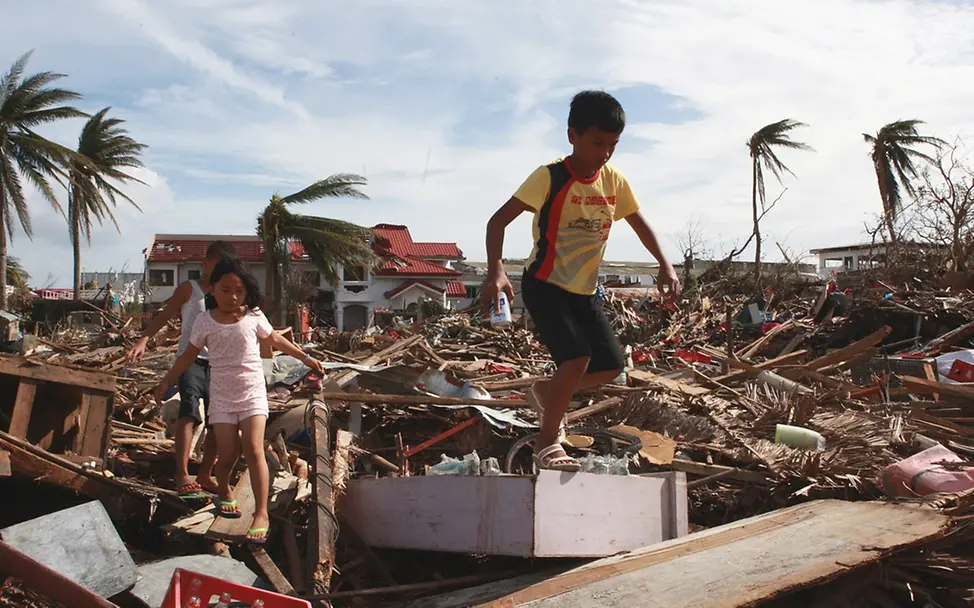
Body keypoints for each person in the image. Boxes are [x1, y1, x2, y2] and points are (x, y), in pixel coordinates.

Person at [481, 90, 682, 472]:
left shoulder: (614, 182)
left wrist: (665, 265)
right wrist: (496, 270)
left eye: (613, 145)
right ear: (572, 135)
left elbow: (640, 224)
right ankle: (546, 445)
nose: (605, 153)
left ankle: (544, 392)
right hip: (545, 284)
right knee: (575, 359)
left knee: (610, 367)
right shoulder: (550, 177)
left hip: (585, 291)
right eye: (597, 143)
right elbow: (497, 221)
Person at [153, 257, 324, 544]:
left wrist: (305, 358)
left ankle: (260, 513)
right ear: (213, 291)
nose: (232, 297)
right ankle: (223, 491)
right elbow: (188, 356)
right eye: (225, 290)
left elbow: (277, 341)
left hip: (252, 393)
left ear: (246, 292)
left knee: (254, 449)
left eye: (239, 291)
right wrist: (167, 380)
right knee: (227, 455)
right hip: (222, 395)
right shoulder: (204, 321)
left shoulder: (254, 316)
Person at [126, 240, 237, 499]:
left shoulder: (227, 293)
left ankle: (205, 473)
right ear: (205, 264)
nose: (220, 271)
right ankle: (182, 473)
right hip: (190, 360)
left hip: (219, 364)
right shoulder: (190, 289)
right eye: (216, 265)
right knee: (189, 412)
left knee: (217, 421)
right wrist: (143, 340)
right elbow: (164, 315)